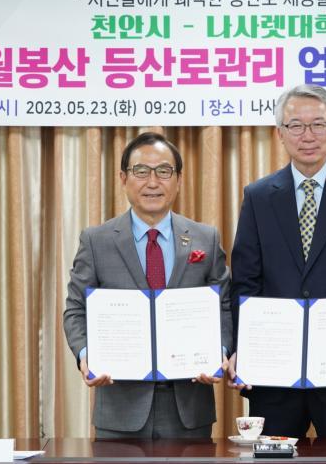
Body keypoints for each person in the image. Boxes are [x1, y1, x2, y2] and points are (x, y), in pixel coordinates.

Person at [227, 84, 326, 439]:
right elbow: (245, 282)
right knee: (272, 462)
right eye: (296, 126)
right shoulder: (258, 197)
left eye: (318, 124)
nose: (308, 136)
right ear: (280, 133)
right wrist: (246, 348)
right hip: (274, 377)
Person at [63, 132, 232, 439]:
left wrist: (217, 352)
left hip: (190, 406)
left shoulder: (205, 238)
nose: (152, 182)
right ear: (123, 178)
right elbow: (76, 309)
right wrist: (87, 355)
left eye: (164, 171)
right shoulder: (97, 241)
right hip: (120, 407)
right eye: (141, 171)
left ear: (178, 180)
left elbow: (224, 305)